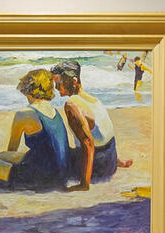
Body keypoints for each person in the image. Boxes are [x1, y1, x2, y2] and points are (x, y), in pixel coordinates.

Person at [0, 69, 71, 190]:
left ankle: (15, 181)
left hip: (39, 178)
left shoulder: (25, 113)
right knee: (1, 155)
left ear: (28, 87)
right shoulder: (54, 110)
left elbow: (12, 149)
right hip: (61, 176)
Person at [50, 60, 132, 191]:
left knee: (53, 155)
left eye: (59, 83)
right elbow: (104, 134)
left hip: (97, 168)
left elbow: (88, 143)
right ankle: (118, 162)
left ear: (74, 81)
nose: (56, 87)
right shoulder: (94, 100)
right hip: (110, 161)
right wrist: (116, 161)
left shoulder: (72, 105)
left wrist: (84, 184)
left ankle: (85, 182)